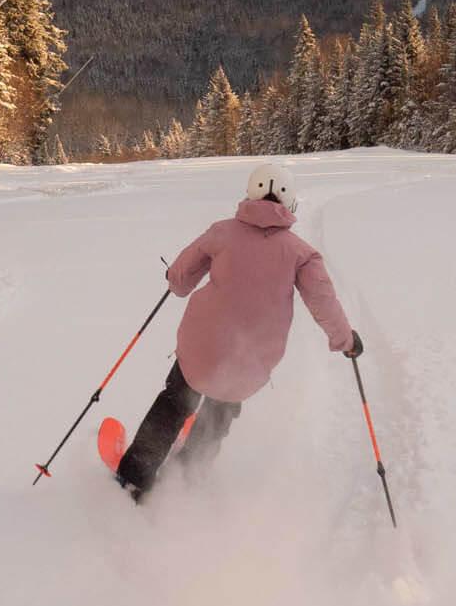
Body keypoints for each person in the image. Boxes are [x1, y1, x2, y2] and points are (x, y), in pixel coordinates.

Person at [116, 162, 363, 500]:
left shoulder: (221, 233)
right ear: (290, 203)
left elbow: (179, 281)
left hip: (200, 350)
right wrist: (345, 339)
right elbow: (325, 303)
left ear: (250, 193)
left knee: (174, 402)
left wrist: (174, 277)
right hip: (250, 363)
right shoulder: (302, 255)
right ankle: (189, 476)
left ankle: (135, 477)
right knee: (221, 409)